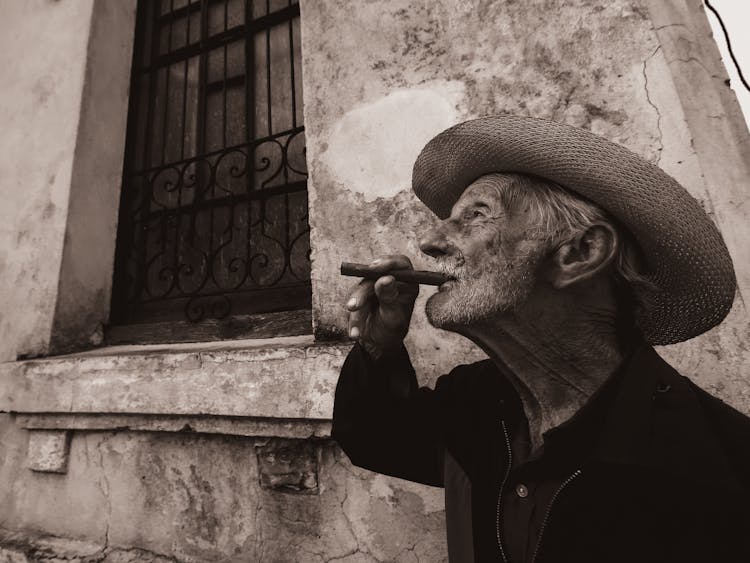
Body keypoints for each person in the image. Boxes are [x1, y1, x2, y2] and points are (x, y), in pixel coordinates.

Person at [331, 116, 750, 562]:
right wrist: (379, 344)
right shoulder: (477, 403)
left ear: (580, 253)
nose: (430, 241)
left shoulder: (720, 475)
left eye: (476, 215)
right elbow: (374, 436)